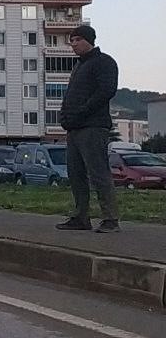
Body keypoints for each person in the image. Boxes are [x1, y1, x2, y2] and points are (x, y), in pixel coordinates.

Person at [55, 24, 119, 233]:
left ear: (89, 40)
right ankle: (81, 216)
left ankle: (110, 219)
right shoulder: (79, 66)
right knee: (76, 174)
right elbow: (73, 96)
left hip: (93, 126)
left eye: (77, 40)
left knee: (98, 172)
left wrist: (82, 111)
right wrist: (66, 117)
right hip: (75, 128)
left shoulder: (104, 62)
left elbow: (106, 91)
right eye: (71, 41)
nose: (73, 44)